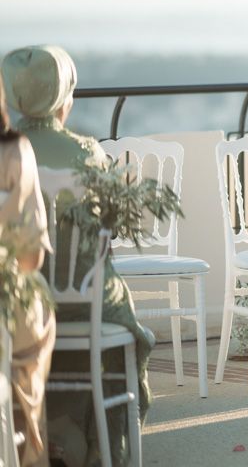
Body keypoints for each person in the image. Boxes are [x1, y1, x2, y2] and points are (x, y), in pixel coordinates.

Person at [2, 45, 152, 467]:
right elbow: (109, 229)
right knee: (123, 315)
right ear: (63, 98)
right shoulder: (88, 154)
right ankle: (99, 443)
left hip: (19, 310)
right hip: (86, 308)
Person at [0, 75, 55, 466]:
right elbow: (31, 256)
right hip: (8, 309)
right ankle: (28, 449)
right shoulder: (15, 151)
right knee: (37, 312)